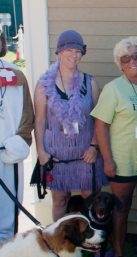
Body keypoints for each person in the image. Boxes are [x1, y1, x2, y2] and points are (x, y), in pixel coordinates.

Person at [92, 36, 137, 257]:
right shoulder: (113, 89)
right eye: (126, 58)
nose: (133, 61)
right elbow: (101, 125)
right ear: (120, 64)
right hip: (122, 163)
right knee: (121, 209)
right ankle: (119, 253)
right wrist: (108, 160)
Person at [33, 30, 104, 222]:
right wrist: (41, 151)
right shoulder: (44, 84)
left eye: (78, 51)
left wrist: (94, 146)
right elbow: (39, 120)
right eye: (69, 50)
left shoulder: (90, 82)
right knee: (60, 200)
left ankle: (93, 243)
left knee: (91, 196)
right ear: (59, 52)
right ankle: (59, 246)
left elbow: (99, 118)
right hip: (57, 151)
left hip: (85, 151)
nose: (74, 55)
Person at [0, 26, 34, 243]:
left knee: (7, 210)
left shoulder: (16, 75)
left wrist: (17, 142)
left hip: (7, 154)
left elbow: (27, 115)